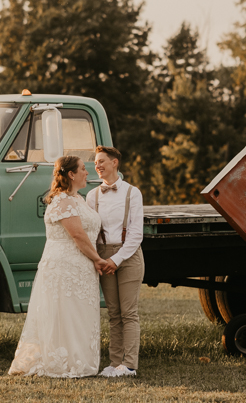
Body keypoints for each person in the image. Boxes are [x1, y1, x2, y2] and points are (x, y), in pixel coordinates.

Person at [8, 155, 105, 378]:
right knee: (64, 312)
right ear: (71, 174)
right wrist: (98, 260)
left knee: (77, 312)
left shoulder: (79, 200)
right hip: (65, 264)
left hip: (81, 265)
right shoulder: (62, 201)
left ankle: (77, 358)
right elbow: (78, 235)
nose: (87, 172)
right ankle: (62, 362)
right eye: (83, 169)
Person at [87, 145, 145, 378]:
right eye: (95, 163)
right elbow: (91, 231)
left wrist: (117, 259)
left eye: (101, 161)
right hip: (103, 256)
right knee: (113, 313)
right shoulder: (92, 196)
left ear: (114, 163)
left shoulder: (133, 193)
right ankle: (114, 363)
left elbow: (136, 234)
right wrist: (100, 259)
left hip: (128, 256)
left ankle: (129, 365)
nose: (97, 166)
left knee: (129, 312)